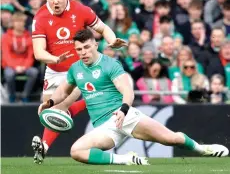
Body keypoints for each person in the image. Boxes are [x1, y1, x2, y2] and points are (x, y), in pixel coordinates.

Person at [38, 29, 229, 166]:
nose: (83, 53)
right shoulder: (76, 69)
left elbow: (127, 91)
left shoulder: (110, 64)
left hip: (124, 116)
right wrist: (49, 103)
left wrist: (123, 110)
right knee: (76, 151)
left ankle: (202, 149)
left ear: (96, 44)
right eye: (79, 50)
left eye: (87, 48)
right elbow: (63, 91)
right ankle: (126, 159)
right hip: (103, 126)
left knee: (172, 139)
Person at [31, 0, 127, 164]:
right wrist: (54, 59)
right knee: (48, 113)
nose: (55, 2)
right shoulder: (40, 17)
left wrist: (112, 40)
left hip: (78, 70)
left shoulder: (80, 10)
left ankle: (46, 144)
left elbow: (103, 27)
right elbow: (38, 52)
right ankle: (44, 146)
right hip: (53, 69)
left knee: (60, 107)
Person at [1, 12, 39, 102]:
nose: (19, 23)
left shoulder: (29, 37)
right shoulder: (5, 37)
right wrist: (15, 67)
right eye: (17, 21)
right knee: (9, 74)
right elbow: (6, 55)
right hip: (10, 66)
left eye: (21, 21)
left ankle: (25, 95)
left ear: (24, 23)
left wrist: (24, 67)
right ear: (12, 23)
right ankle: (12, 95)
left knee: (34, 72)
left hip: (24, 66)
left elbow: (30, 55)